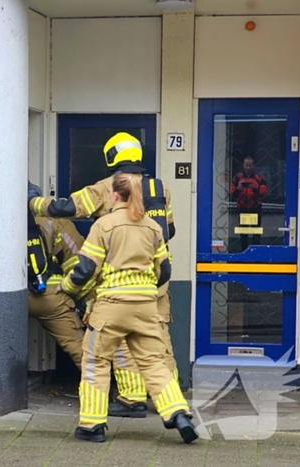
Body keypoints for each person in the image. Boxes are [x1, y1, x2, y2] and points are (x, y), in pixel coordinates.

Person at [29, 132, 178, 418]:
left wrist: (34, 203)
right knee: (156, 338)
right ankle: (166, 401)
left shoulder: (108, 187)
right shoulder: (160, 188)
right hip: (157, 278)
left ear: (111, 157)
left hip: (119, 284)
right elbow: (168, 231)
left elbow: (66, 208)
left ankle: (127, 402)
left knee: (120, 340)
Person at [58, 173, 197, 444]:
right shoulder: (153, 227)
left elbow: (85, 269)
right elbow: (164, 269)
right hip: (146, 307)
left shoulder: (104, 225)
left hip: (111, 307)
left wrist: (68, 287)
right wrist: (143, 289)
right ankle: (177, 412)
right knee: (153, 362)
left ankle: (92, 425)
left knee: (95, 362)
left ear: (115, 195)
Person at [26, 186, 87, 369]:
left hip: (4, 297)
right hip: (49, 297)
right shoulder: (54, 219)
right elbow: (78, 261)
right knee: (81, 349)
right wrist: (82, 298)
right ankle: (101, 390)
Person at [229, 156, 267, 250]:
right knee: (243, 233)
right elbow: (232, 193)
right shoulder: (237, 178)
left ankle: (255, 254)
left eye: (250, 165)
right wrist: (238, 189)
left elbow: (263, 193)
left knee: (256, 233)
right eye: (246, 165)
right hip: (242, 209)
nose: (248, 168)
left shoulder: (259, 178)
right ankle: (243, 252)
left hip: (255, 208)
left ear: (254, 166)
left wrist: (255, 189)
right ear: (243, 165)